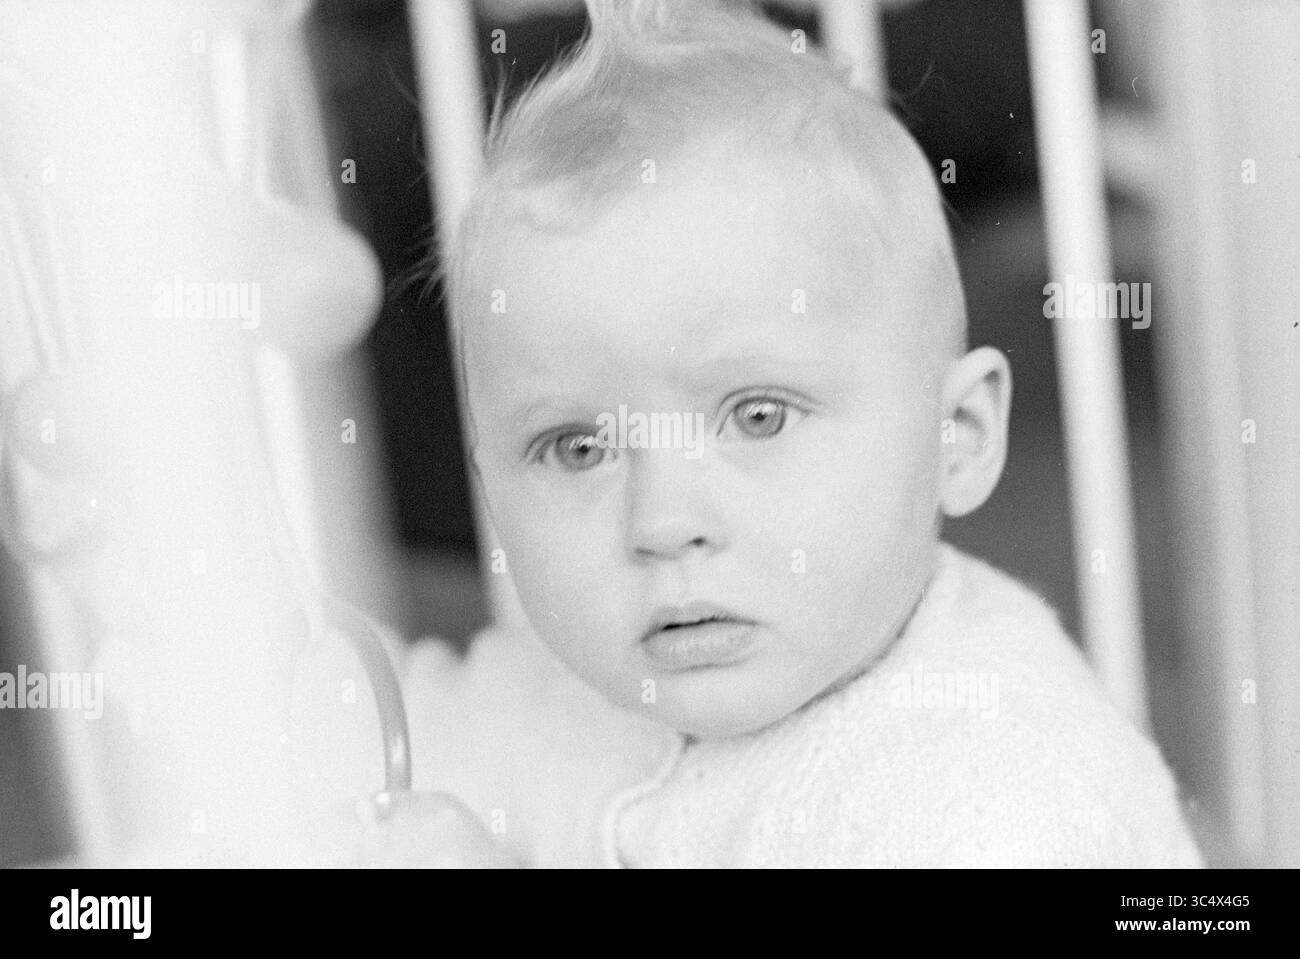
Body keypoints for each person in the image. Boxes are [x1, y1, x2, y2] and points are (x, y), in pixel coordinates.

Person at [373, 0, 1203, 867]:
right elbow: (379, 728)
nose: (663, 522)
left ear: (955, 433)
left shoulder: (993, 797)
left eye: (757, 416)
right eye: (579, 448)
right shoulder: (574, 693)